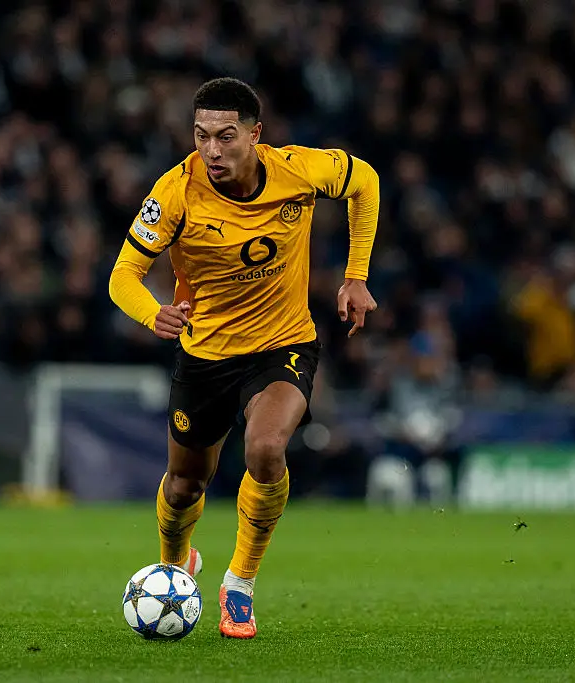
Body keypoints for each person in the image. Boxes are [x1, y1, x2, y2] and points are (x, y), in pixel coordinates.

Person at [109, 77, 379, 639]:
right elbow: (123, 276)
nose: (212, 150)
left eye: (226, 136)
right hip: (205, 354)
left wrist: (356, 275)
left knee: (266, 448)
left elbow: (366, 182)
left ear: (255, 135)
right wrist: (152, 313)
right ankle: (175, 564)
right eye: (201, 135)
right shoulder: (175, 192)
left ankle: (240, 583)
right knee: (184, 486)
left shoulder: (299, 169)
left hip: (283, 344)